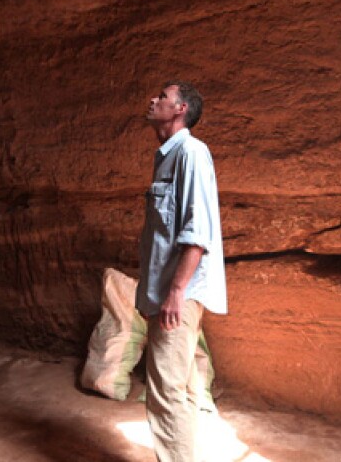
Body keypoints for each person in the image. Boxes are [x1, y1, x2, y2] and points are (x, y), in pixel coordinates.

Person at [137, 80, 227, 462]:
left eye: (163, 97)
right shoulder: (167, 156)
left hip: (181, 294)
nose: (153, 100)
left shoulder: (191, 152)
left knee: (166, 392)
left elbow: (197, 232)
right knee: (184, 388)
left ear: (180, 110)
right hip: (170, 292)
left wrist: (175, 292)